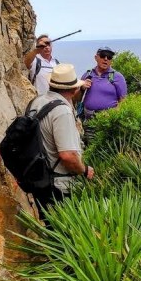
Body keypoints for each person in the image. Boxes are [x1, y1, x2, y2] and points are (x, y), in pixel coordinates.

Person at [28, 63, 94, 218]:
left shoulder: (37, 102)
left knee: (49, 226)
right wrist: (85, 170)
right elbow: (68, 156)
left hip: (39, 178)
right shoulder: (62, 111)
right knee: (64, 230)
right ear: (74, 89)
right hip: (58, 185)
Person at [80, 46, 127, 128]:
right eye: (103, 55)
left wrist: (112, 114)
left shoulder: (117, 77)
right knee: (89, 141)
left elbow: (123, 101)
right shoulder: (88, 74)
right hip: (89, 121)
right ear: (96, 57)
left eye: (109, 57)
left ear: (111, 60)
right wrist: (82, 88)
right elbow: (76, 97)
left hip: (108, 121)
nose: (106, 59)